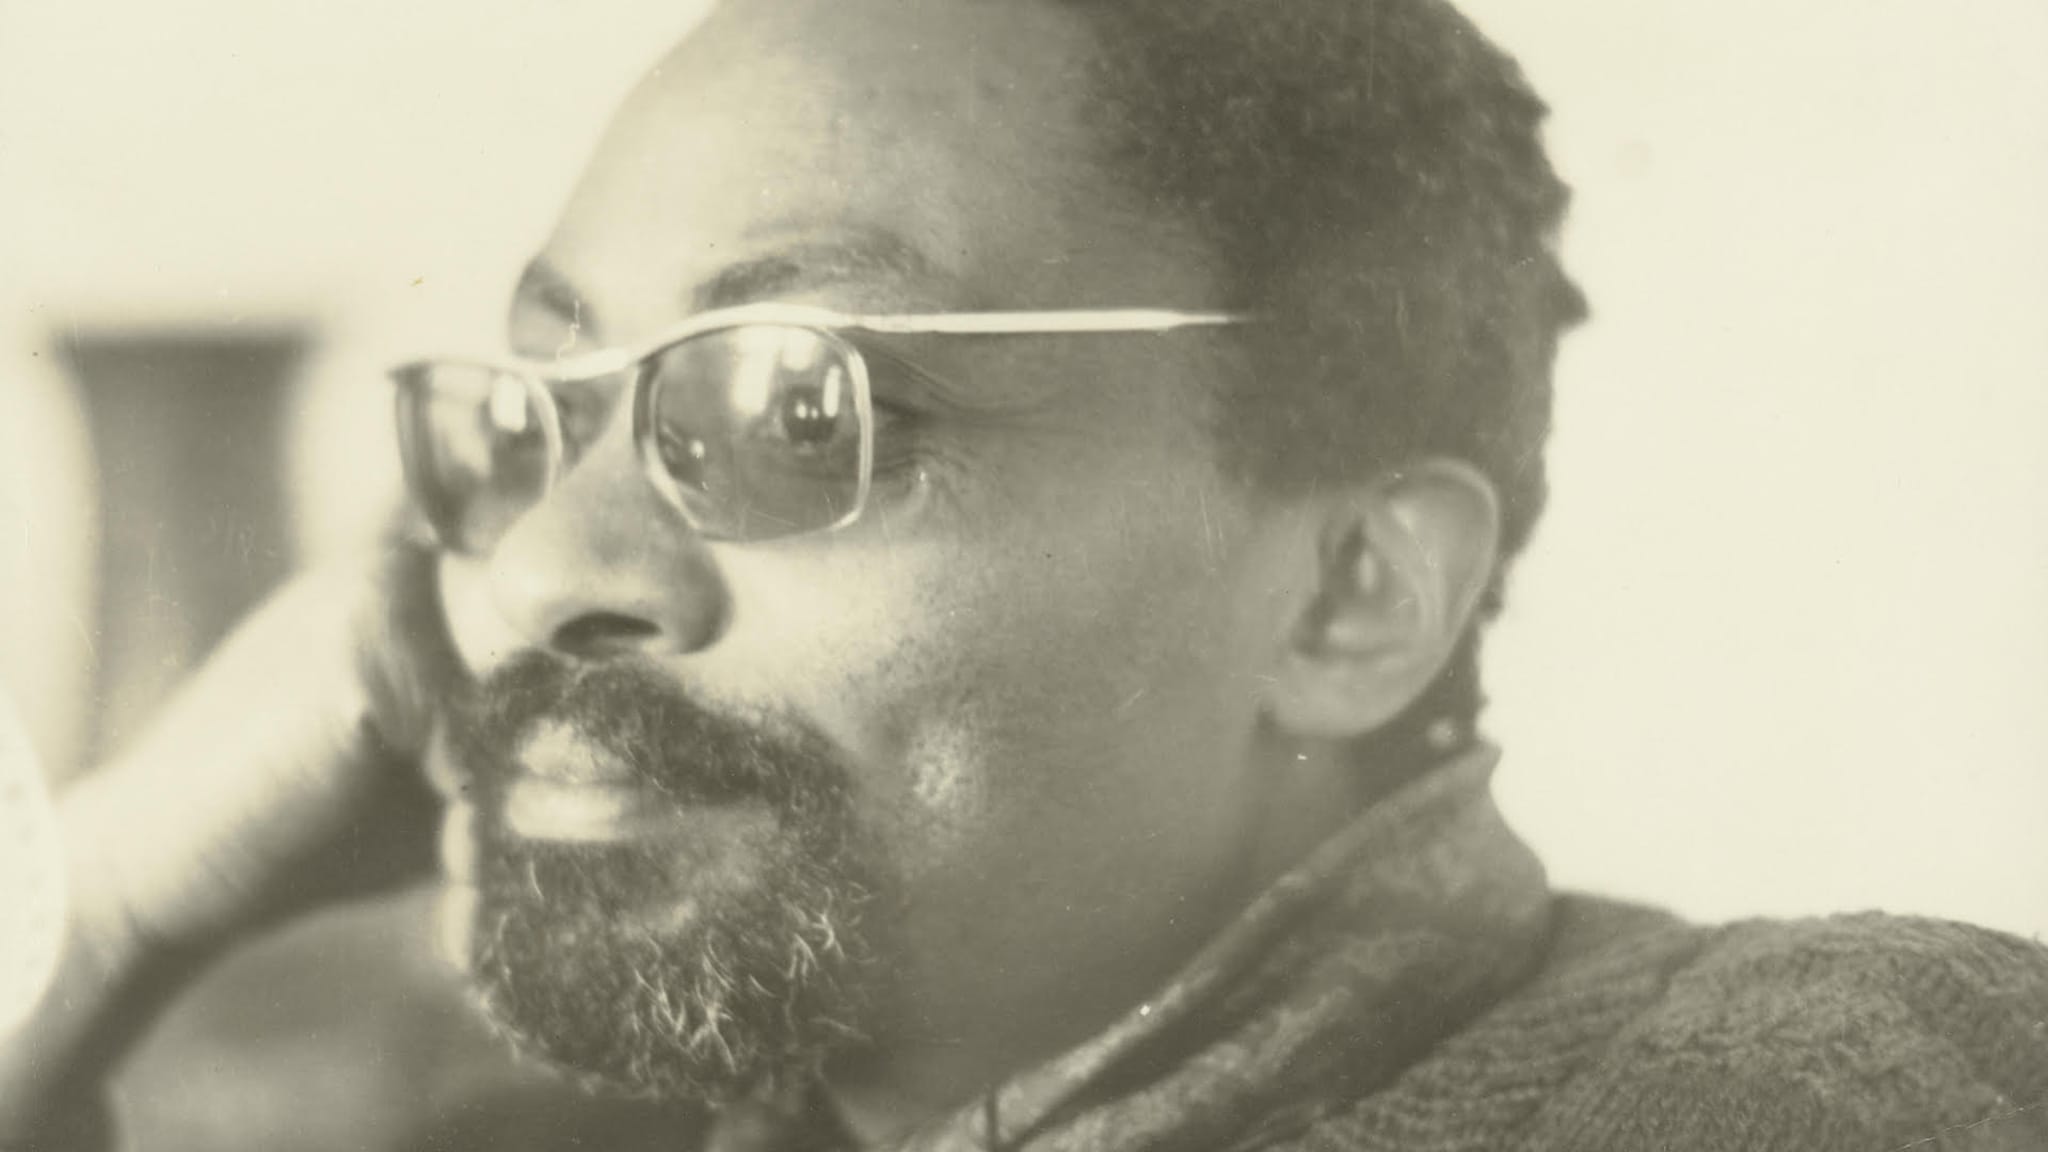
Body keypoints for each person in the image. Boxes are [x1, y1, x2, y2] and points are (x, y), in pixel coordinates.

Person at [6, 0, 2046, 1148]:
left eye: (792, 409)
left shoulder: (1802, 1081)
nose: (543, 570)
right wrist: (101, 903)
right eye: (534, 412)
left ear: (1350, 592)